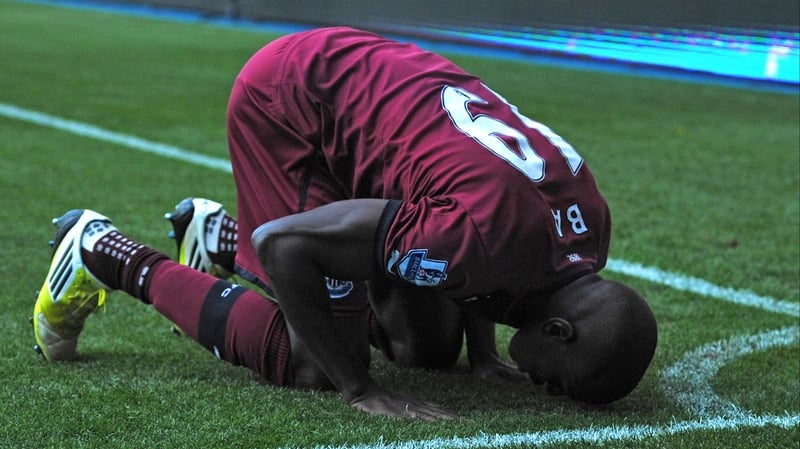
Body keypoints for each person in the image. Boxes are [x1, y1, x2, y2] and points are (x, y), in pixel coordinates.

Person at [31, 27, 657, 420]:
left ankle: (216, 237)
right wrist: (358, 388)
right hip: (296, 103)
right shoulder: (478, 239)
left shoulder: (588, 229)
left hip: (375, 85)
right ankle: (103, 250)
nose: (547, 389)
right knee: (312, 362)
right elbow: (286, 246)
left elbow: (493, 244)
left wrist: (482, 353)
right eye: (561, 384)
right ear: (559, 330)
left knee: (427, 351)